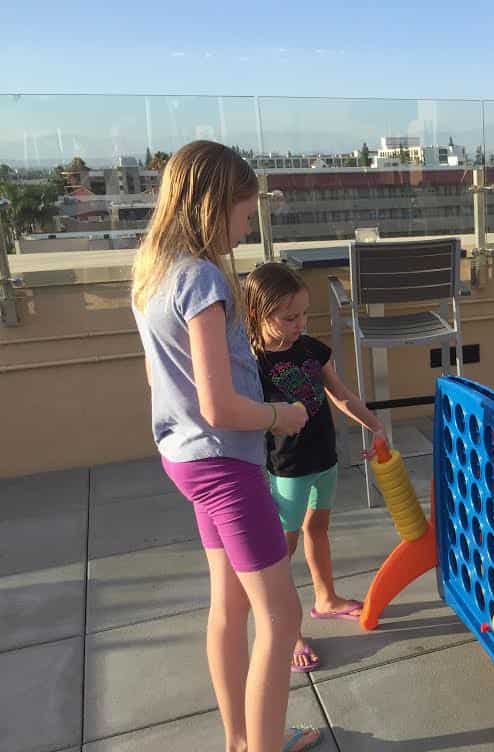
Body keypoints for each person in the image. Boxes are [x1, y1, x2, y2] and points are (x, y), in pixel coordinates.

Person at [132, 141, 321, 752]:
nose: (249, 223)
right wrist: (280, 415)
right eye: (246, 211)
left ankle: (241, 739)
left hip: (184, 459)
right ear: (216, 205)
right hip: (223, 467)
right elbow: (219, 406)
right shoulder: (202, 278)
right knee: (281, 616)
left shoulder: (153, 272)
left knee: (229, 604)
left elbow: (156, 378)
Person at [245, 261, 386, 672]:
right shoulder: (254, 364)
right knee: (280, 552)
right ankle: (287, 628)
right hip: (286, 468)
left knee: (318, 529)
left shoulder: (310, 350)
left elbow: (340, 394)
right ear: (257, 314)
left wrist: (375, 426)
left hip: (323, 458)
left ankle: (325, 598)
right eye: (288, 317)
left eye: (304, 314)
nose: (299, 324)